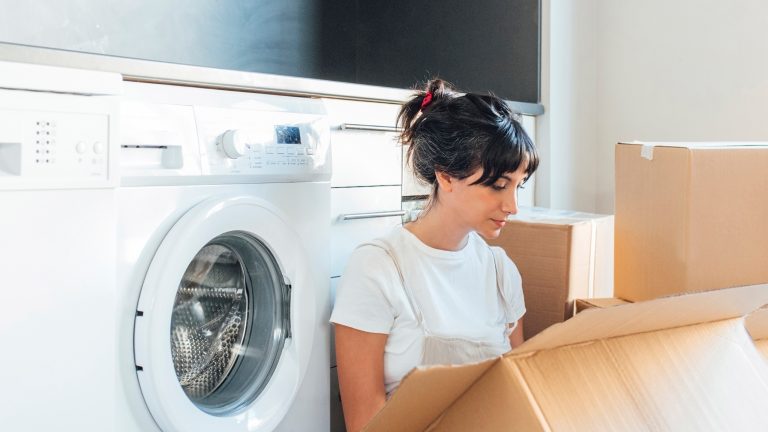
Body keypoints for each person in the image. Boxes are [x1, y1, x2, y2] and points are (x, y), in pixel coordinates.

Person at [330, 79, 539, 432]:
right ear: (447, 177)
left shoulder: (500, 271)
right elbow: (364, 422)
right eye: (499, 185)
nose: (513, 206)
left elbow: (517, 393)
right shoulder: (378, 267)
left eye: (519, 185)